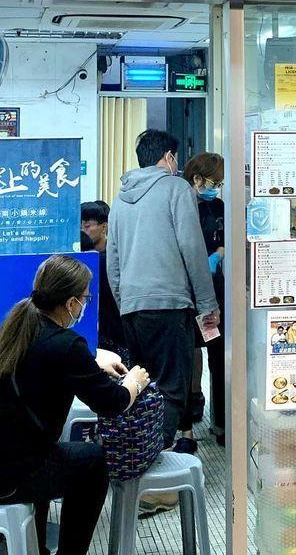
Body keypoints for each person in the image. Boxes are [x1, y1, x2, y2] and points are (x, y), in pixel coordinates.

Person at [0, 255, 150, 555]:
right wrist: (134, 382)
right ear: (71, 303)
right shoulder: (67, 345)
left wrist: (91, 368)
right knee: (93, 462)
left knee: (48, 453)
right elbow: (113, 403)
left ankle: (38, 547)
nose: (85, 305)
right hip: (5, 479)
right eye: (85, 298)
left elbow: (45, 366)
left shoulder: (16, 325)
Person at [108, 130, 220, 455]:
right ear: (169, 157)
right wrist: (208, 304)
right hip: (169, 305)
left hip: (132, 308)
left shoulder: (120, 199)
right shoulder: (176, 188)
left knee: (144, 385)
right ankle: (152, 459)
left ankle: (140, 455)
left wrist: (126, 302)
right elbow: (192, 249)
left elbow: (113, 262)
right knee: (173, 389)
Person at [179, 152, 226, 451]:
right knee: (186, 357)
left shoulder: (218, 207)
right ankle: (186, 427)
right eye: (213, 182)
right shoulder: (179, 206)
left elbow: (226, 239)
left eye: (220, 184)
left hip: (215, 292)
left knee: (219, 356)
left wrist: (218, 254)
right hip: (185, 294)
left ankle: (221, 422)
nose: (216, 189)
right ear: (196, 179)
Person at [80, 200, 124, 354]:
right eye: (80, 226)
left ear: (104, 227)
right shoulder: (79, 259)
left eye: (87, 226)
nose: (82, 231)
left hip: (115, 329)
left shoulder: (117, 257)